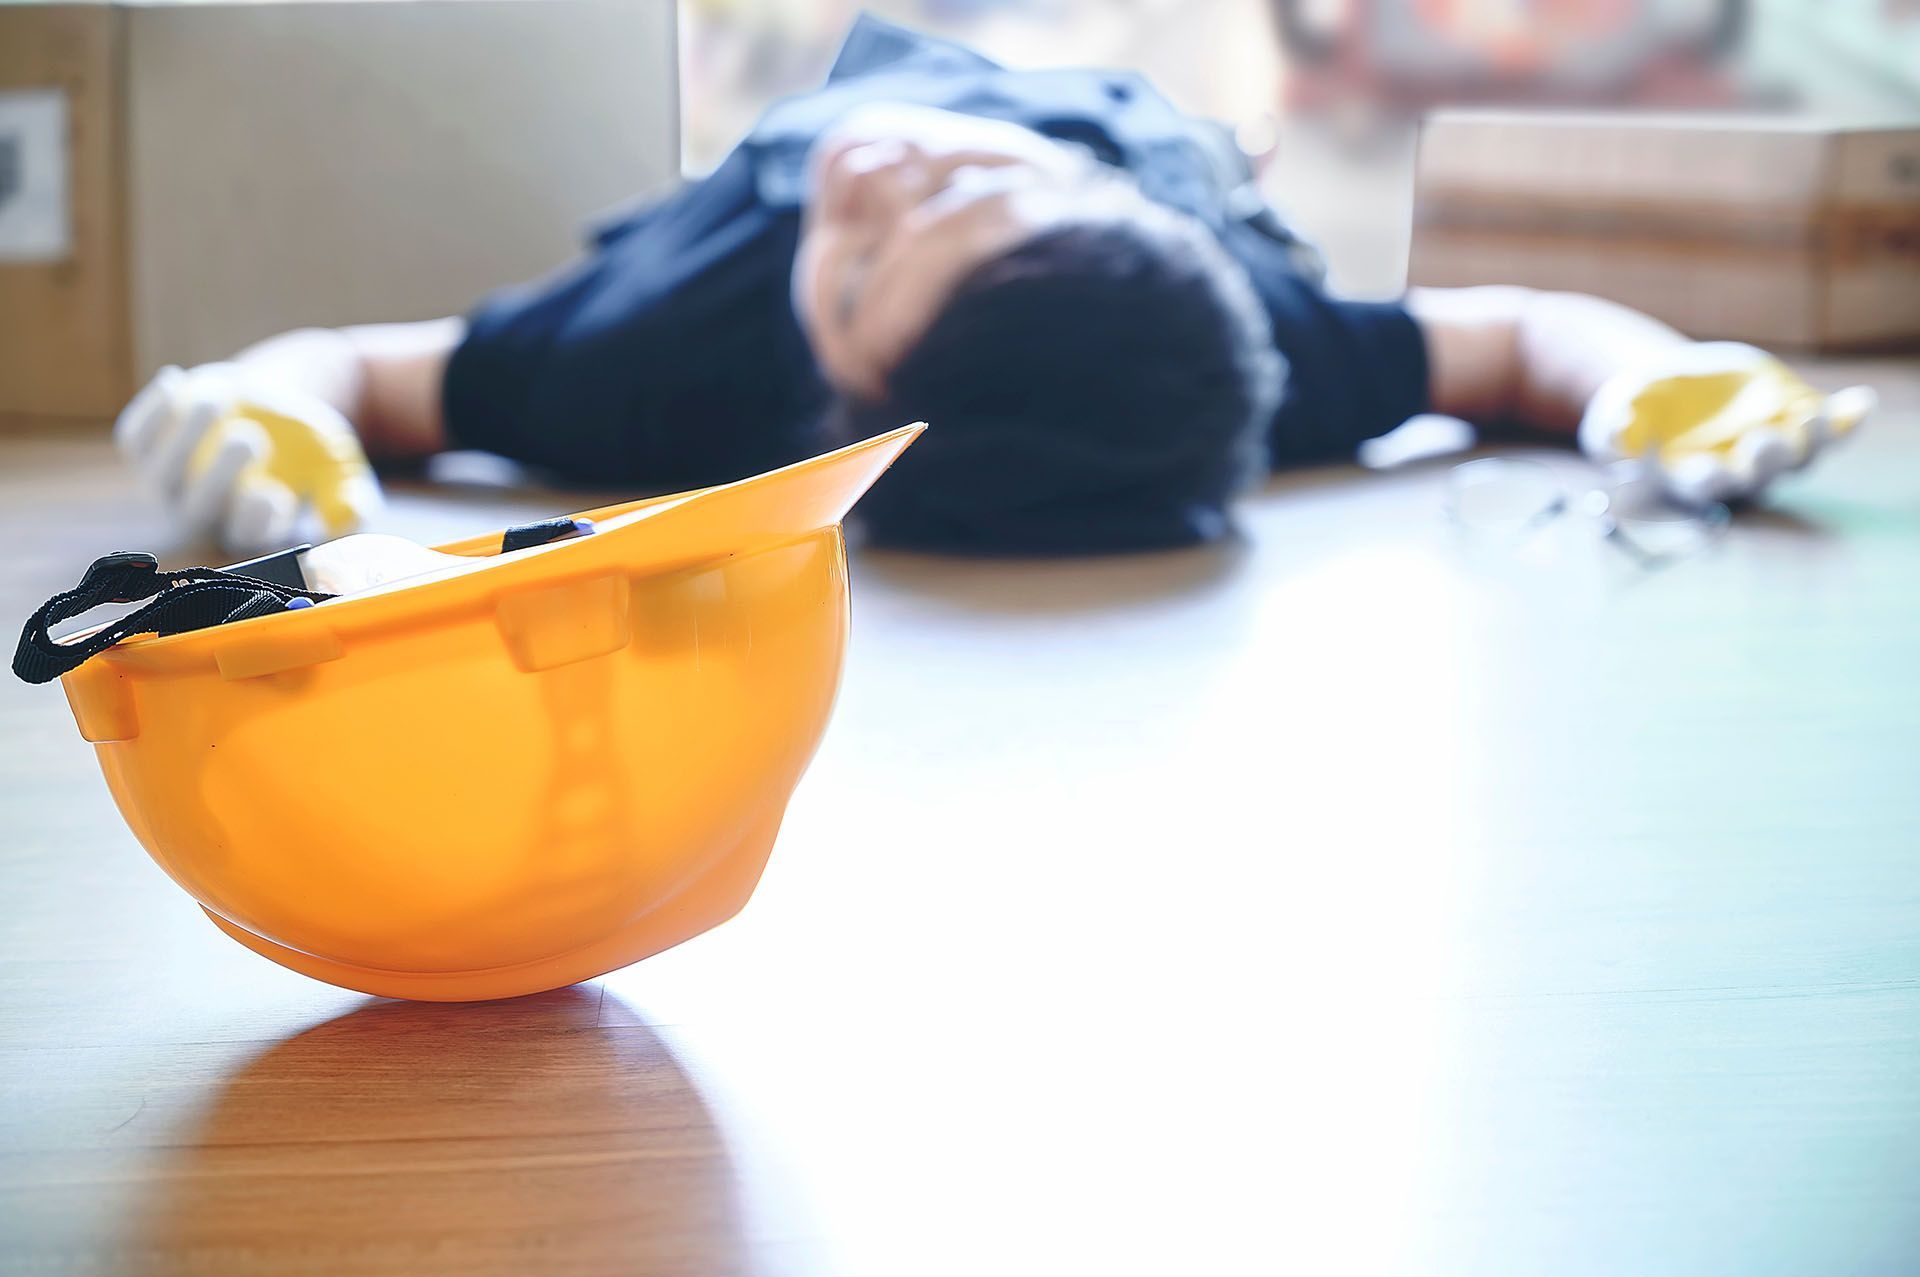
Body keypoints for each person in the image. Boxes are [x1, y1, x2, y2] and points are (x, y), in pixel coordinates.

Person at [113, 14, 1845, 558]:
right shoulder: (1257, 342)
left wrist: (278, 428)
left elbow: (362, 370)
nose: (886, 182)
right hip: (1118, 135)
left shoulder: (660, 356)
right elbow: (1521, 338)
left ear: (835, 395)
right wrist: (1661, 381)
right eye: (967, 195)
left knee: (847, 146)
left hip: (770, 172)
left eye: (864, 272)